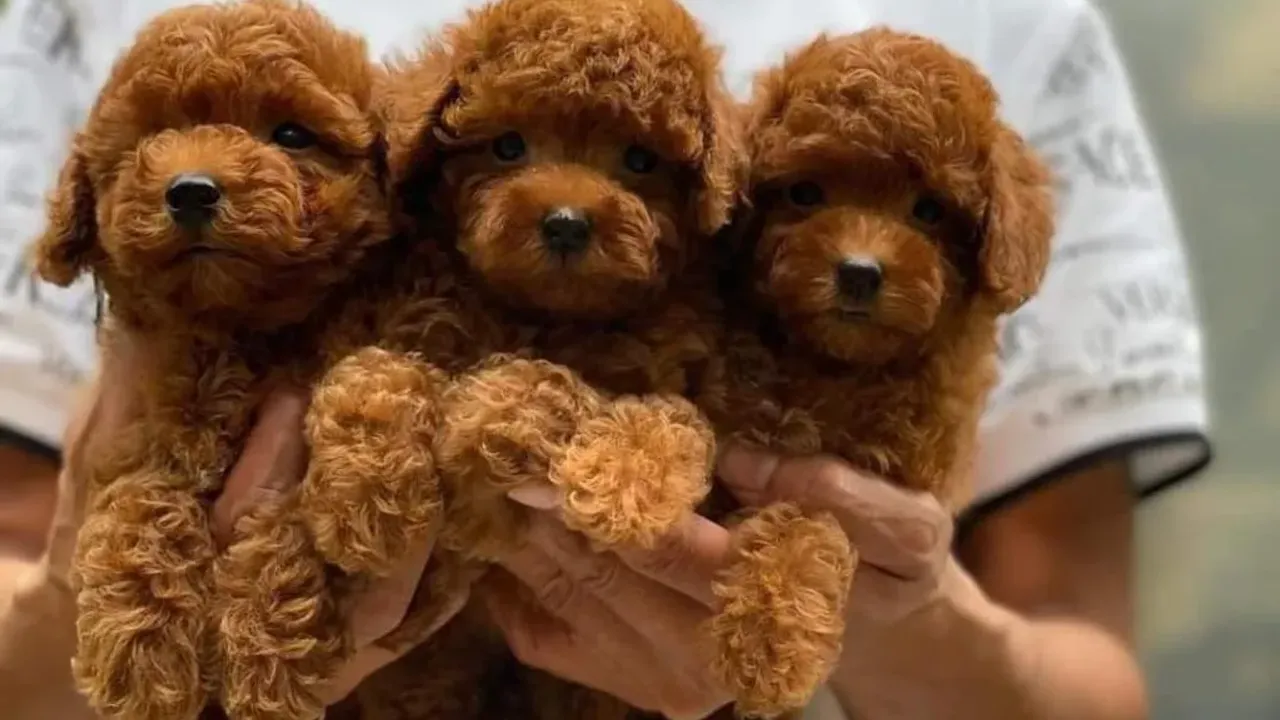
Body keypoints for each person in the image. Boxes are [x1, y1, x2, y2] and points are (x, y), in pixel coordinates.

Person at [0, 0, 1212, 717]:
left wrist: (880, 616)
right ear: (413, 164)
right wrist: (100, 607)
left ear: (717, 192)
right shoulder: (72, 30)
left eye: (643, 165)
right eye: (503, 149)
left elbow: (1080, 653)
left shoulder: (1020, 25)